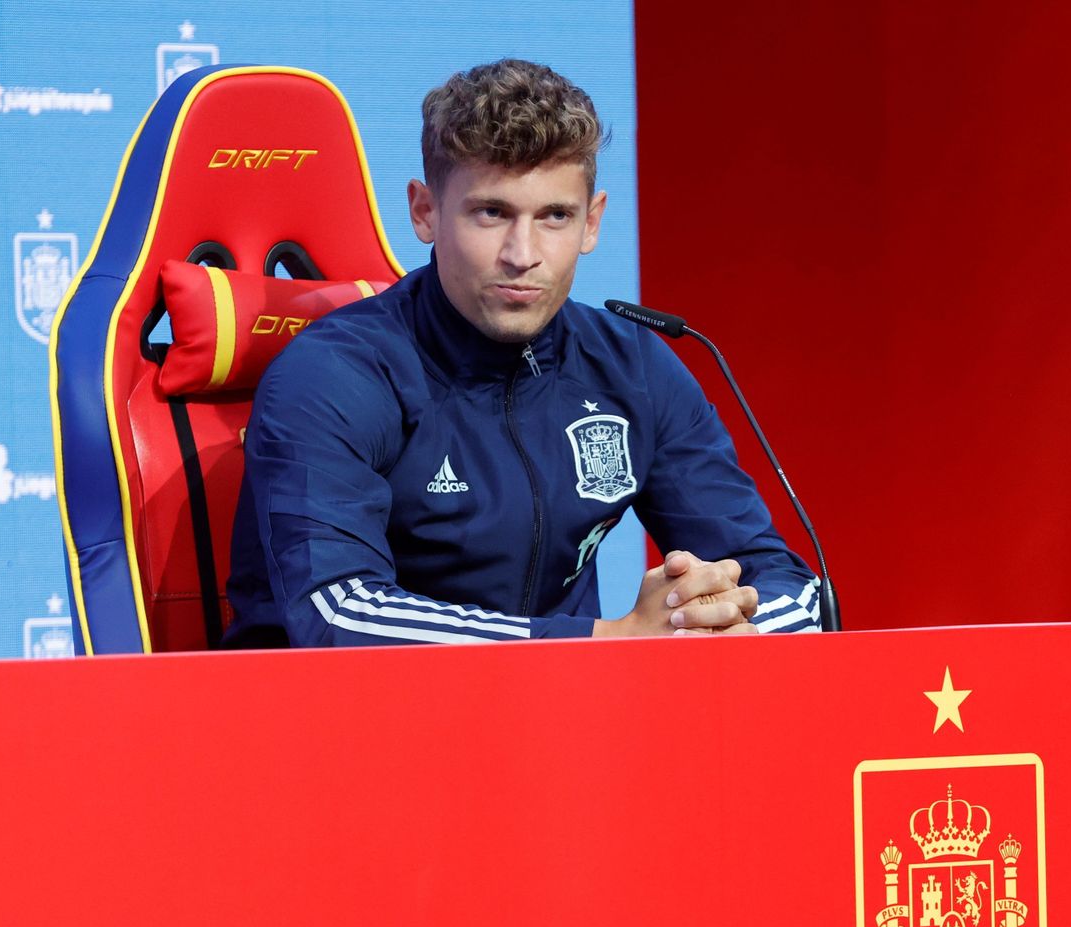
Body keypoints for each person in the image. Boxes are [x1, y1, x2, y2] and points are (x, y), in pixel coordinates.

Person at [223, 59, 819, 648]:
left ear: (592, 223)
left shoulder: (634, 366)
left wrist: (727, 625)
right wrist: (602, 643)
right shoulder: (333, 375)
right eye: (492, 213)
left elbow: (786, 583)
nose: (522, 253)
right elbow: (341, 616)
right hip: (339, 727)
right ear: (425, 211)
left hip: (567, 718)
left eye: (555, 216)